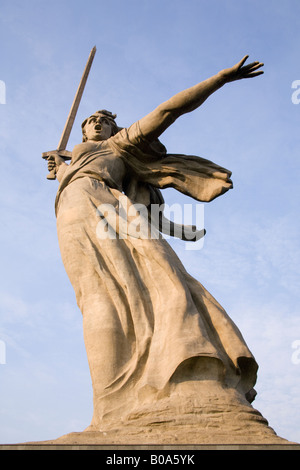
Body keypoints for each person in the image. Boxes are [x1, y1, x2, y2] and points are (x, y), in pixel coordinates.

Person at [48, 55, 264, 430]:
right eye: (91, 121)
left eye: (105, 120)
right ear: (82, 132)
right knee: (97, 298)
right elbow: (74, 177)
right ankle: (110, 410)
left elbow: (168, 110)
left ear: (115, 130)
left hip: (104, 205)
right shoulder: (78, 163)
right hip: (74, 209)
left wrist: (219, 79)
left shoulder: (118, 146)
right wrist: (61, 170)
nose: (97, 123)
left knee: (141, 287)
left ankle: (146, 392)